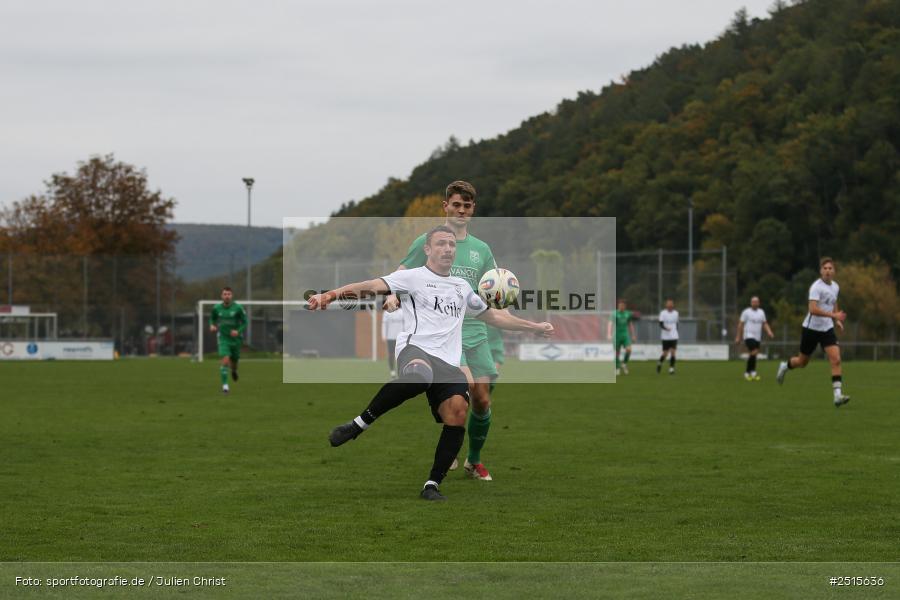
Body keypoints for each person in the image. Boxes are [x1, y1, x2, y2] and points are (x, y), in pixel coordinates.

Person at [309, 226, 553, 501]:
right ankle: (358, 424)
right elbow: (369, 287)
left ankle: (432, 485)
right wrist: (329, 295)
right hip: (415, 349)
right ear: (427, 249)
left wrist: (532, 327)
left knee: (459, 412)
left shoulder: (462, 287)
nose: (448, 248)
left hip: (448, 363)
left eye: (451, 244)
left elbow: (494, 317)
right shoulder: (412, 278)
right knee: (419, 376)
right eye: (441, 243)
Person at [384, 180, 499, 481]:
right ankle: (450, 437)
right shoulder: (428, 240)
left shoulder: (481, 249)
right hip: (446, 332)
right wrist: (391, 295)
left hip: (477, 331)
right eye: (456, 205)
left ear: (473, 209)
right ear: (445, 206)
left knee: (483, 399)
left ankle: (473, 461)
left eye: (467, 206)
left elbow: (492, 290)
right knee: (467, 387)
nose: (461, 210)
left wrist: (518, 320)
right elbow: (400, 273)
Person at [776, 257, 850, 406]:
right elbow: (813, 309)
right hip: (811, 329)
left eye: (830, 268)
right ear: (821, 271)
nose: (828, 271)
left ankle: (837, 395)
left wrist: (836, 320)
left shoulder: (835, 286)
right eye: (825, 268)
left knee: (836, 359)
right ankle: (785, 366)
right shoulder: (816, 287)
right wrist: (833, 316)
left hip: (827, 329)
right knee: (802, 362)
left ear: (834, 271)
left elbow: (834, 301)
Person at [208, 286, 247, 394]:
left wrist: (238, 331)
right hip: (223, 338)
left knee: (234, 362)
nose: (227, 296)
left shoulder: (238, 308)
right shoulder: (216, 308)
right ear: (222, 296)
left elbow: (245, 322)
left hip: (236, 340)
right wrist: (212, 325)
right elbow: (212, 318)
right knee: (225, 359)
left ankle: (234, 371)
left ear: (232, 295)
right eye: (225, 294)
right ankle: (225, 387)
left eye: (229, 294)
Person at [735, 296, 774, 381]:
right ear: (751, 303)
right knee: (754, 351)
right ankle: (748, 372)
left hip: (757, 337)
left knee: (754, 353)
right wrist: (738, 337)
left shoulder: (761, 312)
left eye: (756, 302)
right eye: (753, 302)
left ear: (759, 303)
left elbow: (764, 324)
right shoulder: (746, 312)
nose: (755, 303)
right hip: (748, 336)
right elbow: (740, 324)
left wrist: (769, 331)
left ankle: (752, 372)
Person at [608, 299, 637, 376]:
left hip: (625, 335)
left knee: (629, 349)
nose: (621, 307)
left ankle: (624, 363)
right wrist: (609, 334)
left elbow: (630, 325)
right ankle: (617, 368)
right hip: (616, 336)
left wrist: (633, 335)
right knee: (617, 353)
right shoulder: (614, 314)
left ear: (625, 306)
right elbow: (610, 324)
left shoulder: (628, 314)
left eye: (623, 305)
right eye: (620, 305)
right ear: (618, 305)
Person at [381, 306, 404, 378]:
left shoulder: (402, 312)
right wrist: (384, 335)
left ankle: (401, 370)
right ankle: (392, 371)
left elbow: (406, 324)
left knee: (401, 355)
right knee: (391, 354)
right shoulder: (386, 313)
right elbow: (384, 324)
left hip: (400, 338)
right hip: (390, 337)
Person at [657, 299, 679, 374]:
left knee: (673, 352)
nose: (670, 306)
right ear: (666, 305)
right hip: (665, 337)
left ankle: (671, 368)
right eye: (668, 304)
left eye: (671, 304)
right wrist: (666, 328)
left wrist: (675, 331)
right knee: (665, 354)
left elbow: (676, 324)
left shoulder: (676, 313)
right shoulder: (663, 313)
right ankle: (659, 363)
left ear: (673, 305)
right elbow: (660, 324)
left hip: (674, 336)